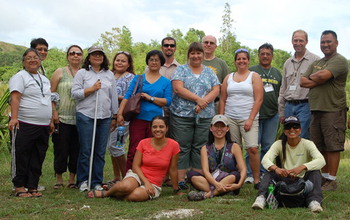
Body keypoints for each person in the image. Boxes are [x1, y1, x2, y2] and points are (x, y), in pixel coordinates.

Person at [87, 116, 181, 201]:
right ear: (151, 128)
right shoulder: (143, 143)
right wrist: (146, 182)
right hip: (138, 176)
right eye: (155, 127)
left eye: (161, 127)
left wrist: (176, 189)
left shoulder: (174, 145)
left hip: (154, 183)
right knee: (125, 187)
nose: (158, 129)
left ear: (167, 128)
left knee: (135, 195)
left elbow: (173, 169)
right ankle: (106, 193)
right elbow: (135, 166)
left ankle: (116, 189)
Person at [300, 30, 349, 191]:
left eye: (328, 41)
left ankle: (332, 180)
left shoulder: (340, 61)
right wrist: (320, 77)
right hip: (315, 109)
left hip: (333, 109)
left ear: (336, 43)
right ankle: (324, 177)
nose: (325, 45)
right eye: (323, 42)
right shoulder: (317, 62)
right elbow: (302, 81)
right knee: (319, 145)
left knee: (332, 145)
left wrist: (318, 77)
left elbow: (321, 76)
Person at [170, 42, 220, 190]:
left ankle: (196, 178)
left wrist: (203, 103)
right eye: (193, 53)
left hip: (205, 116)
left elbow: (216, 89)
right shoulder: (181, 70)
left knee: (200, 147)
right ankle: (180, 179)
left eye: (199, 53)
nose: (196, 56)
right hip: (182, 115)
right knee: (182, 146)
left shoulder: (210, 72)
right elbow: (178, 88)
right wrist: (198, 99)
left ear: (203, 55)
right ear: (188, 55)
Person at [252, 116, 326, 213]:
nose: (292, 130)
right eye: (288, 127)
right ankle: (261, 198)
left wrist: (302, 167)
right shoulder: (278, 144)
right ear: (284, 130)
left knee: (315, 172)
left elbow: (321, 160)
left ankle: (314, 201)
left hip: (302, 179)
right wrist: (276, 168)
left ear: (300, 130)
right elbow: (265, 159)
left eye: (295, 126)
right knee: (269, 172)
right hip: (284, 178)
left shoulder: (308, 143)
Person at [71, 46, 119, 192]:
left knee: (100, 150)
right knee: (86, 149)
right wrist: (91, 89)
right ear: (89, 57)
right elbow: (74, 94)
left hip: (104, 116)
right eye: (94, 55)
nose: (97, 57)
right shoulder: (82, 73)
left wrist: (114, 116)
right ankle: (83, 180)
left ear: (103, 57)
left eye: (100, 55)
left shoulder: (109, 74)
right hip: (86, 115)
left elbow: (114, 96)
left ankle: (96, 181)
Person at [117, 50, 172, 173]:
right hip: (138, 119)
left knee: (152, 151)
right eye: (151, 59)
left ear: (161, 63)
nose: (153, 62)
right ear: (147, 62)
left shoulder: (166, 82)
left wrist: (150, 98)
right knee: (134, 149)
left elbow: (167, 101)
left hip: (156, 122)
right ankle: (130, 177)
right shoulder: (138, 78)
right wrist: (120, 114)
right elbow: (127, 96)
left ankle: (149, 178)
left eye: (156, 60)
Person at [8, 48, 54, 197]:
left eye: (36, 57)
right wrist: (14, 118)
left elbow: (48, 100)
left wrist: (51, 120)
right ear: (23, 62)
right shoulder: (20, 77)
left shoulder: (44, 79)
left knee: (38, 155)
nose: (33, 60)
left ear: (40, 61)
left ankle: (32, 186)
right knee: (22, 154)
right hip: (24, 122)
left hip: (43, 125)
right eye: (29, 58)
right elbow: (15, 97)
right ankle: (20, 186)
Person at [219, 48, 263, 189]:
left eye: (244, 58)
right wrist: (222, 119)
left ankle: (256, 179)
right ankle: (238, 178)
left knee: (252, 149)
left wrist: (250, 119)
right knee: (234, 150)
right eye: (239, 58)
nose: (241, 61)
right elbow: (222, 100)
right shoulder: (228, 77)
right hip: (230, 117)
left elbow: (259, 99)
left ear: (249, 61)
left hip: (248, 117)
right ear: (235, 61)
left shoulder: (254, 76)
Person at [187, 115, 246, 201]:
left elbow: (243, 169)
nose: (219, 129)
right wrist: (216, 184)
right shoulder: (205, 148)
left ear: (227, 128)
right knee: (191, 175)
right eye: (216, 126)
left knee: (235, 175)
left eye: (222, 126)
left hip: (228, 179)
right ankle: (222, 191)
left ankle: (206, 195)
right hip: (211, 179)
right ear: (211, 128)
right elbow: (205, 171)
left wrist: (239, 184)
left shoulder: (234, 146)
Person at [245, 43, 282, 183]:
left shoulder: (277, 73)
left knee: (268, 146)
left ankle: (264, 172)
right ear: (258, 55)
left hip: (272, 115)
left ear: (272, 56)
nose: (265, 56)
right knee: (252, 146)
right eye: (262, 54)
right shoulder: (251, 71)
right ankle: (249, 173)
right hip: (254, 115)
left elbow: (281, 94)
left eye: (268, 54)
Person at [50, 45, 83, 189]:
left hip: (81, 118)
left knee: (76, 149)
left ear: (82, 56)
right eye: (72, 53)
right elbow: (51, 94)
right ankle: (59, 178)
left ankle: (72, 179)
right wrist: (53, 112)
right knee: (61, 148)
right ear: (68, 56)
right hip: (62, 117)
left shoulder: (86, 73)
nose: (75, 56)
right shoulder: (60, 72)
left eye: (78, 53)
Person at [278, 30, 320, 139]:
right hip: (289, 105)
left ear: (306, 42)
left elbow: (320, 84)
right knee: (289, 136)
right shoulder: (287, 63)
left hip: (305, 105)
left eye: (301, 40)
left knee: (302, 136)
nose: (298, 43)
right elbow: (283, 88)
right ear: (292, 41)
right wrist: (281, 111)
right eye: (295, 40)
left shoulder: (315, 60)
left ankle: (303, 156)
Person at [104, 51, 135, 188]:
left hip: (123, 117)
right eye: (117, 60)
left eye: (123, 61)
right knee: (110, 147)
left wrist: (115, 96)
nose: (119, 63)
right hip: (107, 115)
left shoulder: (131, 78)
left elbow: (131, 97)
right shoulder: (109, 75)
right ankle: (116, 177)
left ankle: (125, 177)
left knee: (116, 145)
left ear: (128, 64)